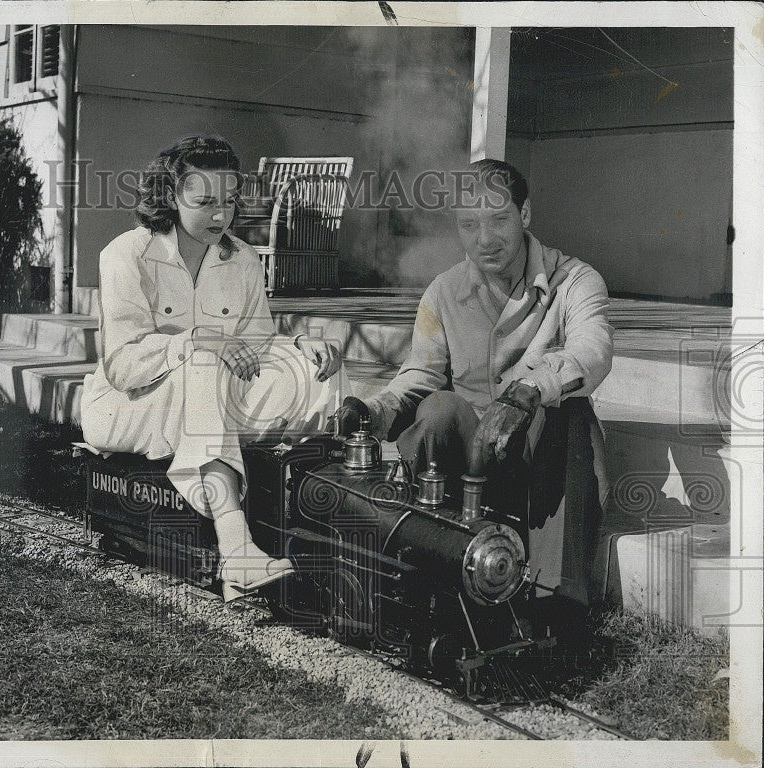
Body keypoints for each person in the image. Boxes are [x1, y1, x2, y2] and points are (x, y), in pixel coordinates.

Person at [334, 159, 613, 608]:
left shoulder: (575, 281)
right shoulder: (443, 292)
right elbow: (419, 376)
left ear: (525, 215)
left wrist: (528, 392)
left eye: (499, 220)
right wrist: (372, 411)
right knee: (438, 409)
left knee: (569, 414)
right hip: (467, 466)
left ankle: (552, 603)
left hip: (539, 465)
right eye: (469, 225)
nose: (485, 240)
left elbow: (593, 351)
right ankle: (429, 573)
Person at [81, 134, 347, 601]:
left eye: (228, 201)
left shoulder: (241, 259)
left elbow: (256, 343)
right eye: (204, 202)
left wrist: (300, 345)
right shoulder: (126, 254)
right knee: (205, 359)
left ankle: (329, 518)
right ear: (170, 196)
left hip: (206, 400)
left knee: (318, 368)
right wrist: (197, 341)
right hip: (125, 407)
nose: (221, 216)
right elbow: (122, 367)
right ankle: (236, 549)